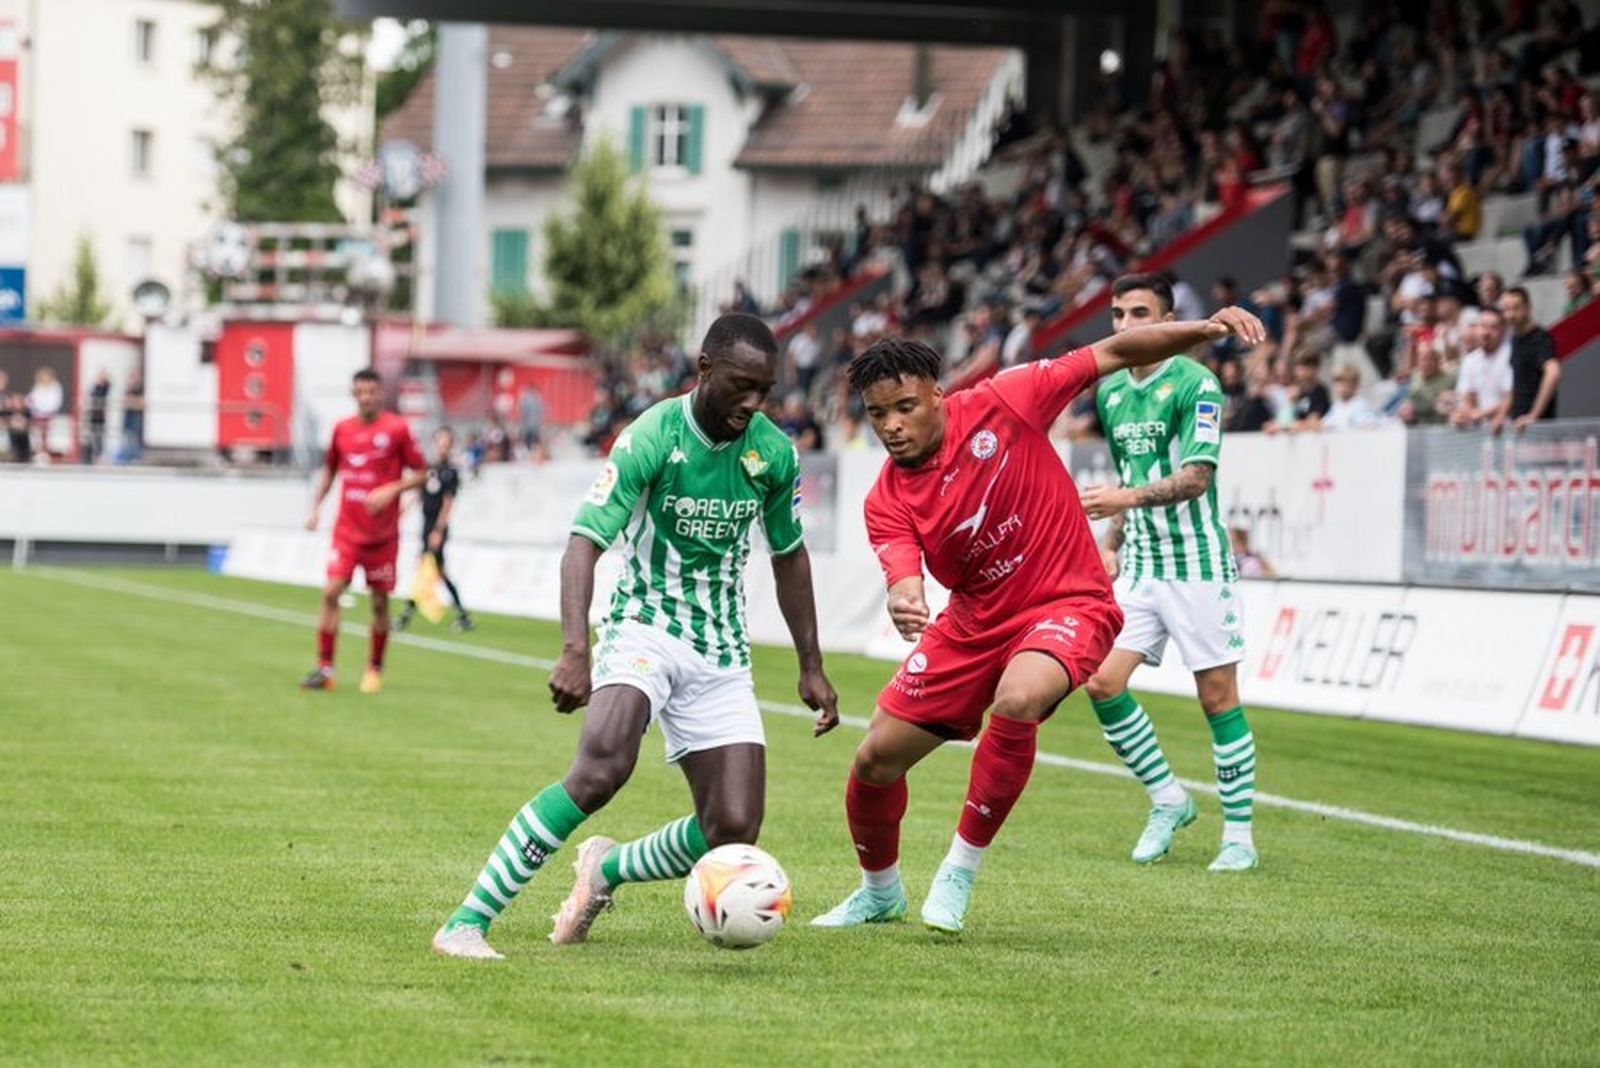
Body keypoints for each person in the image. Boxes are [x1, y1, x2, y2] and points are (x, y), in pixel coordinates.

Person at [811, 305, 1267, 935]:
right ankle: (879, 893)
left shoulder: (1008, 399)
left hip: (1068, 603)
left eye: (905, 408)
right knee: (873, 761)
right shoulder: (885, 497)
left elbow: (1115, 351)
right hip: (973, 624)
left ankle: (960, 869)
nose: (891, 426)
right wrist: (903, 596)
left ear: (939, 396)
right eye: (877, 415)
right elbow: (901, 567)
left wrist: (1206, 330)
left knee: (1020, 697)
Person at [431, 313, 839, 961]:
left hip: (720, 648)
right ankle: (467, 921)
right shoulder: (653, 434)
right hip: (643, 626)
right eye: (742, 385)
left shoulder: (773, 453)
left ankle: (607, 871)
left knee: (732, 830)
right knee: (602, 767)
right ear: (704, 370)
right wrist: (575, 650)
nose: (754, 403)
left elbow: (789, 556)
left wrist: (810, 664)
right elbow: (583, 543)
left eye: (765, 389)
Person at [1077, 274, 1261, 874]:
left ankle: (1239, 836)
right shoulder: (1110, 393)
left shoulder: (1197, 384)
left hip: (1199, 565)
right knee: (1102, 682)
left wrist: (1120, 504)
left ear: (1168, 320)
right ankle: (1168, 799)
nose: (1126, 326)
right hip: (1142, 564)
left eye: (1139, 314)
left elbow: (1195, 479)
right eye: (1117, 315)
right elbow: (1129, 469)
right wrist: (1112, 541)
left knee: (1216, 698)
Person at [301, 369, 427, 695]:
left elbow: (423, 473)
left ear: (380, 393)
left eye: (372, 391)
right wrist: (315, 508)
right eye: (361, 391)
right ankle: (325, 668)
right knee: (330, 592)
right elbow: (330, 470)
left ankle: (374, 667)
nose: (366, 397)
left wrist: (391, 490)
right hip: (346, 531)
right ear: (353, 394)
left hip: (382, 536)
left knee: (380, 603)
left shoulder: (397, 429)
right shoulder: (341, 430)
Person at [395, 426, 474, 634]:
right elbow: (418, 492)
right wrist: (403, 510)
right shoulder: (429, 469)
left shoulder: (451, 473)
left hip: (436, 529)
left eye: (446, 444)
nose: (442, 447)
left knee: (424, 569)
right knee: (438, 571)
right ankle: (463, 616)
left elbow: (448, 503)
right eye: (439, 443)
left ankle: (405, 616)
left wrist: (439, 530)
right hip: (426, 526)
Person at [1500, 286, 1561, 431]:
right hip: (1519, 427)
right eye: (1506, 309)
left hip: (1538, 430)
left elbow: (1553, 373)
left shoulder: (1539, 338)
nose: (1510, 315)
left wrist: (1534, 415)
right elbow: (1516, 385)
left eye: (1516, 308)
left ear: (1528, 308)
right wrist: (1502, 415)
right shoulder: (1514, 339)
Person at [1453, 307, 1513, 428]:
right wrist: (1462, 415)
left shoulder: (1511, 356)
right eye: (1483, 326)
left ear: (1503, 331)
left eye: (1493, 328)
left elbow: (1511, 398)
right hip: (1479, 434)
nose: (1486, 333)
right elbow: (1467, 397)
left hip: (1507, 429)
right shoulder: (1470, 360)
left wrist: (1482, 414)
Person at [84, 371, 110, 464]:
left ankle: (98, 456)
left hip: (100, 416)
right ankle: (92, 455)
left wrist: (103, 380)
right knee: (91, 436)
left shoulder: (104, 388)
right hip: (92, 415)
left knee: (99, 436)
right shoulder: (95, 388)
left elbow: (107, 386)